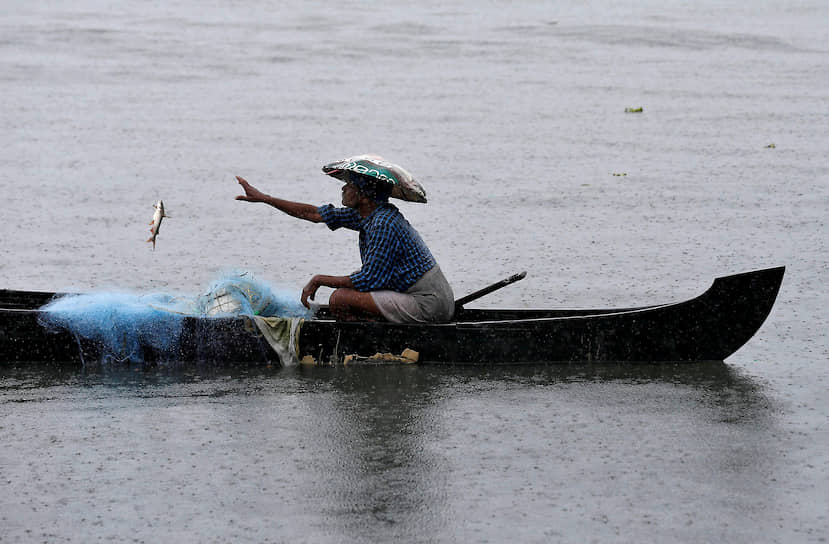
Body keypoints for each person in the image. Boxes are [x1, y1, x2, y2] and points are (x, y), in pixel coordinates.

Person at [234, 170, 454, 323]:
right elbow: (314, 214)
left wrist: (319, 279)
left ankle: (370, 342)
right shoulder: (367, 214)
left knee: (340, 299)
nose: (344, 188)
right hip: (427, 298)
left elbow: (368, 280)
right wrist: (265, 198)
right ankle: (374, 323)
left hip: (428, 304)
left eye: (350, 185)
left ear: (364, 195)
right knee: (346, 294)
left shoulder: (382, 224)